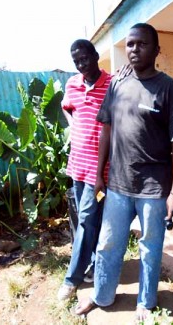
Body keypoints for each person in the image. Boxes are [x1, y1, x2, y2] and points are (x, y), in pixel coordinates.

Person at [75, 23, 173, 321]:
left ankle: (145, 303)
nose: (134, 49)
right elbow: (106, 130)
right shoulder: (117, 84)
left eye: (141, 44)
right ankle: (102, 295)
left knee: (150, 247)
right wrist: (100, 173)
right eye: (130, 44)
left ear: (156, 50)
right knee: (108, 242)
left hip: (154, 188)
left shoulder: (168, 88)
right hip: (118, 185)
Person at [57, 39, 112, 301]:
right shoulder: (72, 84)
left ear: (96, 55)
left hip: (100, 171)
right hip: (77, 165)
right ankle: (91, 265)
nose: (81, 65)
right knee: (86, 220)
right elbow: (65, 107)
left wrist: (102, 173)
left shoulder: (112, 84)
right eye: (76, 61)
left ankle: (72, 279)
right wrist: (75, 125)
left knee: (88, 219)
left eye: (85, 58)